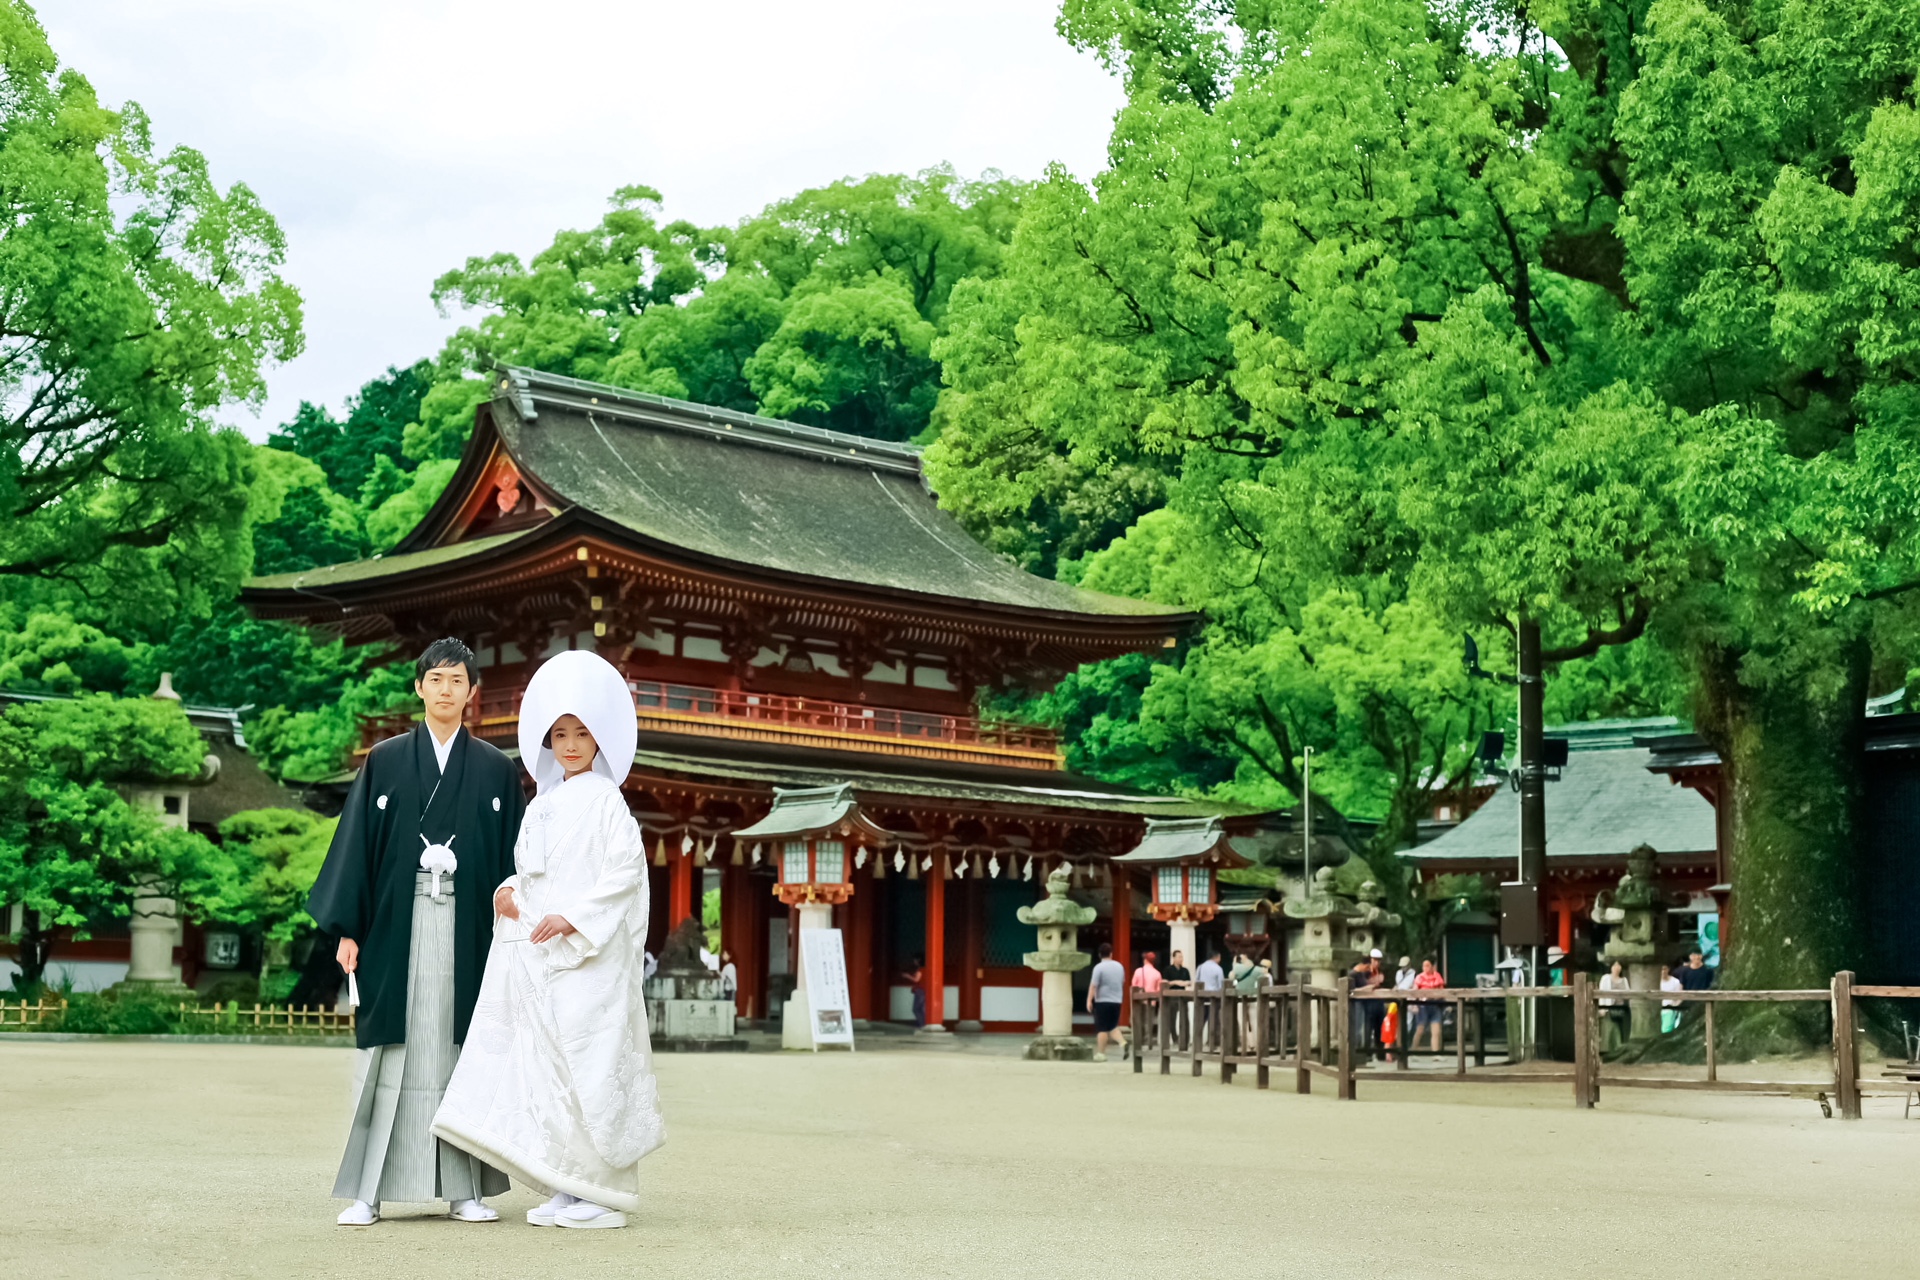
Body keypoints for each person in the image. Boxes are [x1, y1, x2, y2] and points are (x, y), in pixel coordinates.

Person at [433, 649, 663, 1230]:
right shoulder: (541, 804)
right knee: (551, 1070)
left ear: (600, 739)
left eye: (582, 733)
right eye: (559, 734)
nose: (569, 745)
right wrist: (507, 895)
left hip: (590, 958)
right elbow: (531, 873)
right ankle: (567, 1181)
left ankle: (604, 1193)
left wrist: (574, 918)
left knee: (592, 1062)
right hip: (545, 957)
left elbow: (624, 876)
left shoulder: (610, 803)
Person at [308, 638, 526, 1228]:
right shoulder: (384, 760)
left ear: (472, 693)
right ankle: (368, 1191)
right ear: (419, 688)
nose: (446, 690)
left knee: (461, 1053)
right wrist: (348, 928)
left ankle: (465, 1190)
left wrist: (516, 899)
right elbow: (356, 848)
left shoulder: (496, 771)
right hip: (393, 927)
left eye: (457, 680)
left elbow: (516, 858)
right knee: (389, 1055)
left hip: (468, 929)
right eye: (436, 679)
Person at [1087, 942, 1128, 1061]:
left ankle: (1101, 1053)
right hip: (1116, 1001)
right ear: (1111, 953)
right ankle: (1123, 1043)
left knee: (1102, 1028)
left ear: (1100, 955)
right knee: (1112, 1026)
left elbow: (1094, 985)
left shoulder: (1098, 967)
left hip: (1102, 1001)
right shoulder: (1119, 966)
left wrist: (1089, 1000)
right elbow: (1122, 982)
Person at [1130, 951, 1163, 1052]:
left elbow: (1133, 985)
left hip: (1138, 1000)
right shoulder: (1157, 973)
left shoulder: (1138, 971)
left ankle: (1138, 1040)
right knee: (1149, 1021)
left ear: (1145, 960)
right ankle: (1148, 1041)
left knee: (1138, 1020)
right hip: (1151, 1001)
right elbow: (1159, 990)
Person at [1412, 958, 1447, 1053]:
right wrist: (1414, 1004)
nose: (1425, 968)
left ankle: (1435, 1052)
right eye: (1424, 966)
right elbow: (1414, 991)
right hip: (1423, 1005)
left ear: (1432, 966)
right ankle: (1413, 1050)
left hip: (1435, 1005)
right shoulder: (1419, 977)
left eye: (1427, 965)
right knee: (1420, 1029)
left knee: (1436, 1031)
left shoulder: (1437, 976)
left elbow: (1442, 990)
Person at [1194, 950, 1226, 1051]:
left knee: (1201, 1019)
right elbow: (1221, 984)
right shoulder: (1218, 968)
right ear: (1216, 957)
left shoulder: (1200, 967)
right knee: (1214, 1019)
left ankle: (1197, 1042)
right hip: (1214, 996)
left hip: (1202, 995)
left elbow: (1197, 980)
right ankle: (1212, 1043)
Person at [1162, 949, 1194, 1049]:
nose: (1181, 959)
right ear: (1174, 958)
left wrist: (1181, 983)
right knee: (1172, 1019)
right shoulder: (1168, 969)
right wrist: (1176, 982)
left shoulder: (1185, 970)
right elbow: (1165, 982)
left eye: (1182, 957)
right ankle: (1175, 1038)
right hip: (1172, 997)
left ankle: (1186, 1039)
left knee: (1185, 1019)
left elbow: (1188, 982)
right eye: (1179, 957)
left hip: (1183, 997)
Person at [1598, 960, 1630, 1050]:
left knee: (1620, 1031)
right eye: (1615, 965)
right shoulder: (1605, 978)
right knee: (1609, 1031)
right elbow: (1601, 993)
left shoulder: (1624, 980)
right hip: (1609, 1009)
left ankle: (1619, 1049)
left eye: (1619, 965)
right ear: (1611, 967)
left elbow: (1628, 994)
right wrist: (1602, 1008)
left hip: (1621, 1010)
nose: (1617, 968)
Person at [1660, 963, 1684, 1034]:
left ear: (1668, 969)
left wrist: (1675, 1006)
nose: (1663, 971)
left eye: (1664, 969)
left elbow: (1680, 996)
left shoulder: (1675, 982)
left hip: (1669, 1010)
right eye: (1661, 969)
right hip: (1657, 1010)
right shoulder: (1655, 982)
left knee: (1666, 1030)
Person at [903, 958, 926, 1028]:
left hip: (920, 990)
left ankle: (922, 1024)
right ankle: (924, 1023)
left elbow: (916, 980)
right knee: (921, 1008)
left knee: (916, 1009)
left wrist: (907, 976)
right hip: (925, 990)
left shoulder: (920, 970)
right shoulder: (927, 969)